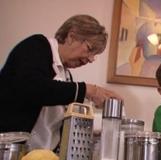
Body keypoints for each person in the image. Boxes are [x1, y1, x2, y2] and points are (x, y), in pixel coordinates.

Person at [0, 14, 123, 151]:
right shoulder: (37, 46)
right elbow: (32, 87)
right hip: (10, 153)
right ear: (71, 37)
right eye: (89, 49)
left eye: (95, 55)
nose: (91, 59)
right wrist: (88, 90)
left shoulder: (65, 75)